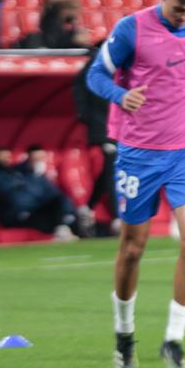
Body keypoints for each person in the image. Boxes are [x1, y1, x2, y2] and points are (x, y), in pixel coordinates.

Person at [84, 0, 185, 368]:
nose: (184, 17)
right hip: (139, 154)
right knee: (132, 248)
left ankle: (174, 341)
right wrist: (120, 95)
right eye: (178, 9)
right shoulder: (131, 29)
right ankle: (124, 336)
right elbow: (95, 74)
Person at [0, 146, 82, 241]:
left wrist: (32, 168)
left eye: (8, 156)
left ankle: (71, 229)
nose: (6, 159)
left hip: (32, 210)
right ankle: (63, 229)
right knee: (48, 220)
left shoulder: (14, 172)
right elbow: (4, 188)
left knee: (60, 201)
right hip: (16, 215)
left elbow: (26, 171)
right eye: (2, 156)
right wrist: (23, 182)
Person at [74, 42, 119, 234]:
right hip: (104, 128)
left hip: (115, 127)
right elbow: (86, 98)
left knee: (111, 169)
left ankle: (88, 207)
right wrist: (90, 121)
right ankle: (118, 217)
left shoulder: (114, 66)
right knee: (112, 168)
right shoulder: (94, 67)